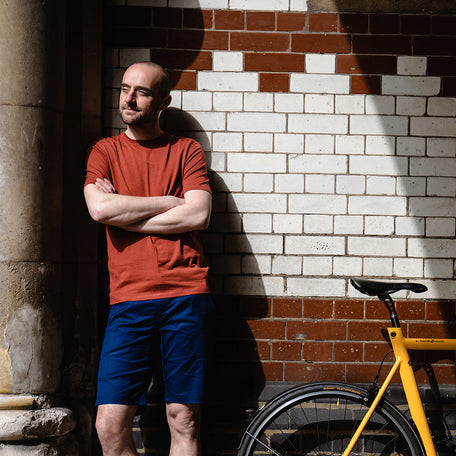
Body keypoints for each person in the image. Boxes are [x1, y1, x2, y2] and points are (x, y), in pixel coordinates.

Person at [83, 62, 213, 456]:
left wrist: (126, 214)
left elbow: (198, 215)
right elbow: (99, 210)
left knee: (183, 418)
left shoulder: (186, 150)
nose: (129, 98)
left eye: (141, 92)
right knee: (109, 426)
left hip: (185, 294)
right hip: (128, 298)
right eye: (125, 89)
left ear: (163, 102)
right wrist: (167, 202)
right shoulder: (105, 151)